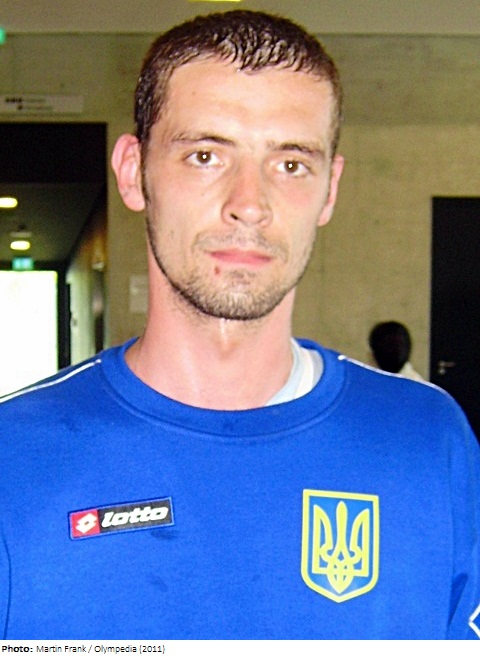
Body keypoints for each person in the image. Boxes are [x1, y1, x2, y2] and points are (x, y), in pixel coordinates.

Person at [0, 10, 478, 641]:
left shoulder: (427, 440)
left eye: (291, 164)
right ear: (134, 172)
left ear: (330, 189)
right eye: (205, 156)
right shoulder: (15, 455)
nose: (249, 204)